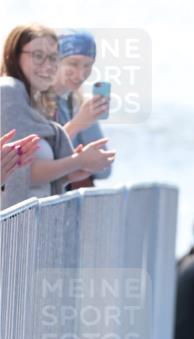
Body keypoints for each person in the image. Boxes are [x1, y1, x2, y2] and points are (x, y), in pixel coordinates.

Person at [0, 24, 115, 210]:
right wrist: (77, 159)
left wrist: (72, 171)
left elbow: (104, 170)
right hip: (16, 229)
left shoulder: (64, 102)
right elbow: (21, 173)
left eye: (53, 57)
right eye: (38, 56)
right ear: (15, 54)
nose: (81, 73)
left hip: (34, 224)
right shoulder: (10, 90)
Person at [53, 30, 112, 189]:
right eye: (73, 63)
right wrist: (78, 123)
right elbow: (38, 163)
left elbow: (105, 170)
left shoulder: (75, 104)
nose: (81, 75)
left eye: (88, 65)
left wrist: (87, 120)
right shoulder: (34, 100)